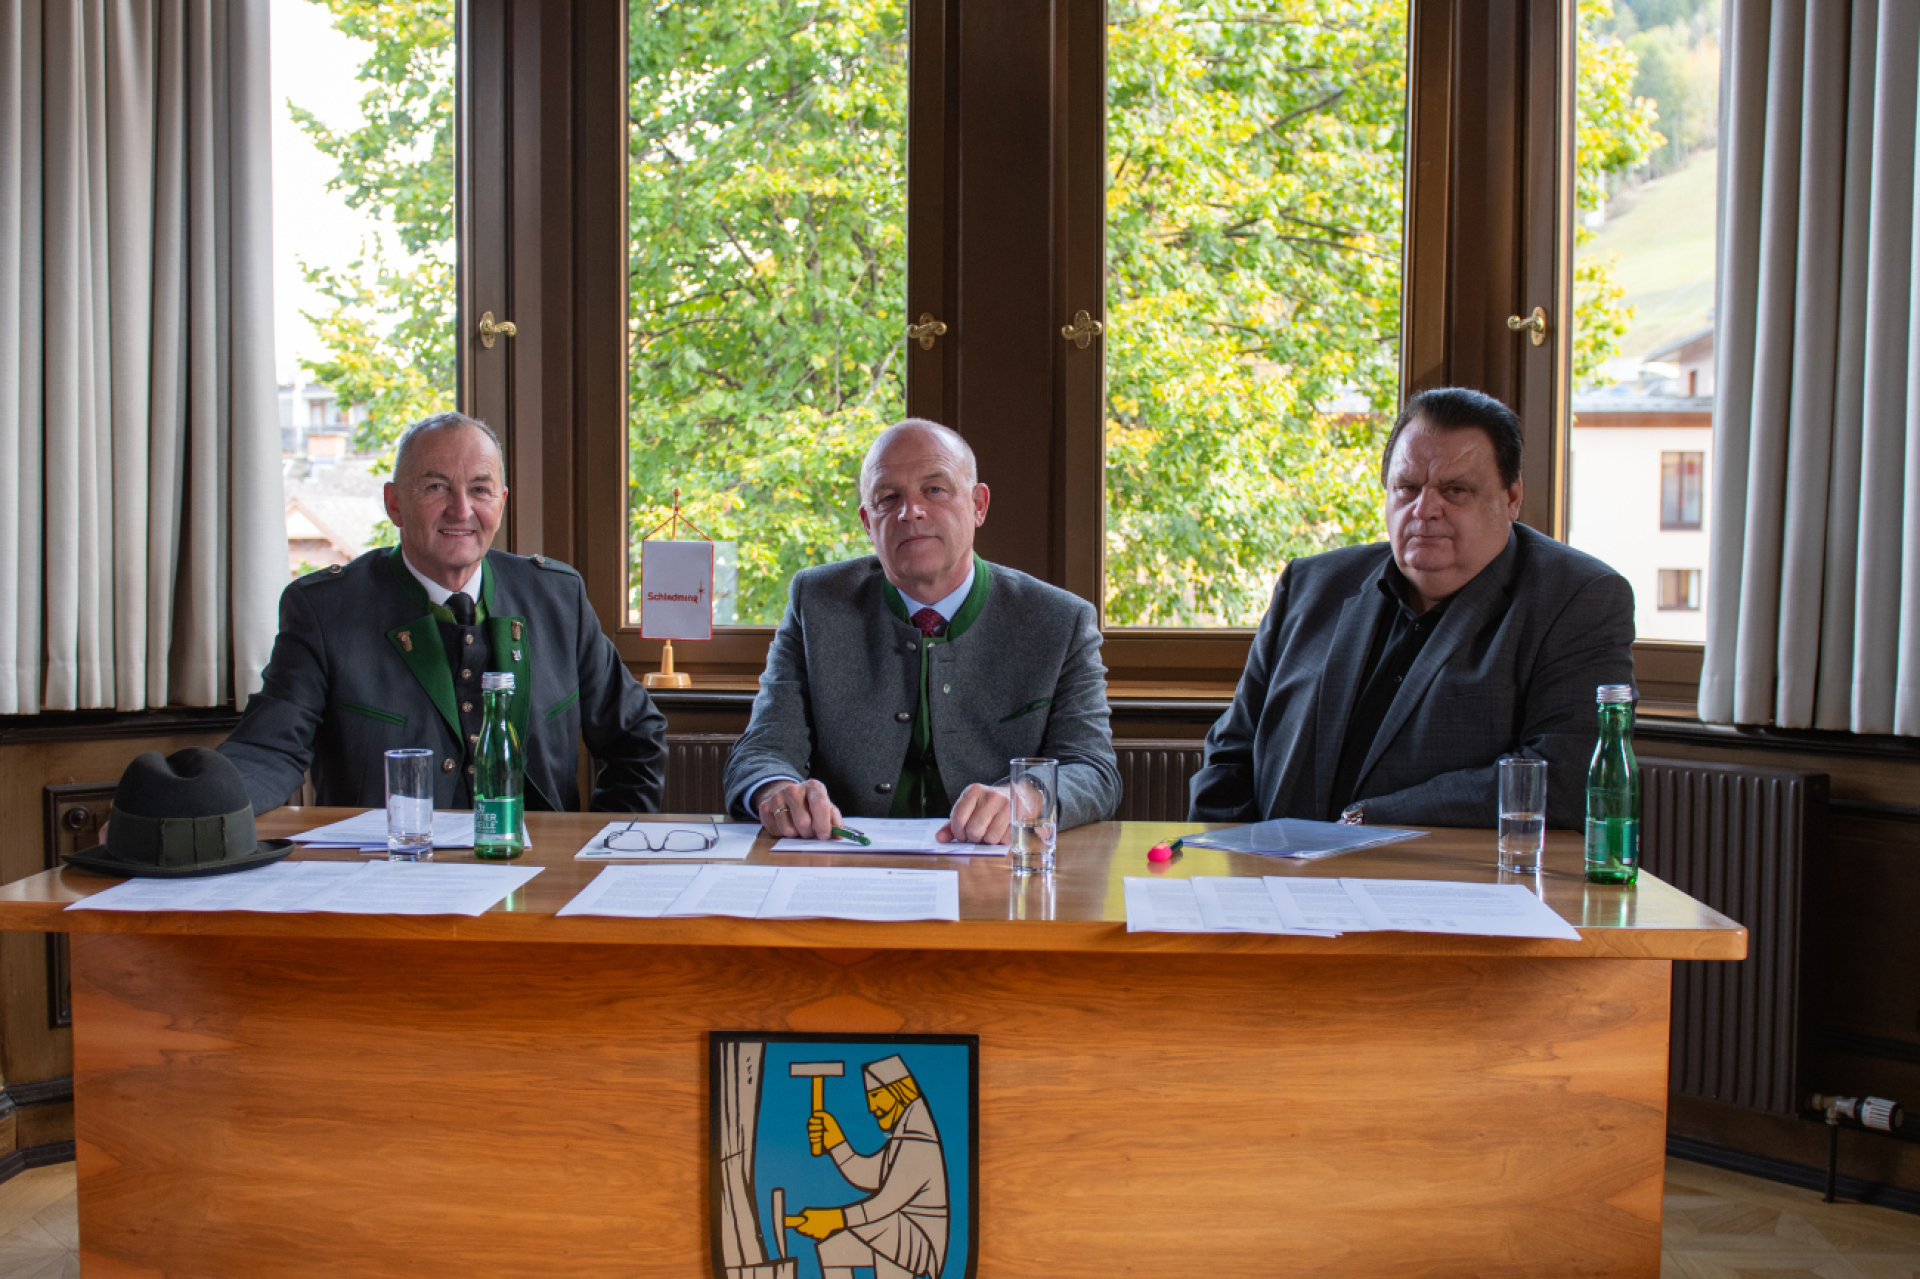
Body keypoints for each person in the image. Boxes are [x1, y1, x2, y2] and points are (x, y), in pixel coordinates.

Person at [1188, 387, 1633, 829]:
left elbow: (1569, 778)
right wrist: (1222, 863)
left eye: (1455, 490)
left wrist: (1371, 820)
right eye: (1407, 488)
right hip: (1272, 879)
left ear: (1512, 497)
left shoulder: (1578, 598)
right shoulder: (1309, 586)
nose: (1425, 510)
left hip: (1445, 890)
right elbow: (1232, 752)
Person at [219, 411, 667, 816]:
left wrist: (604, 839)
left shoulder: (557, 599)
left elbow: (637, 737)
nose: (461, 509)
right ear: (394, 503)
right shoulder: (324, 610)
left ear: (502, 501)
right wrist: (203, 807)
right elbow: (269, 749)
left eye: (480, 489)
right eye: (436, 487)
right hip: (386, 879)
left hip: (538, 875)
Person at [722, 419, 1121, 842]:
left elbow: (1094, 771)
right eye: (888, 497)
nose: (909, 511)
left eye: (934, 490)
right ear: (866, 522)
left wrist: (1028, 797)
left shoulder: (1059, 620)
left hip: (997, 875)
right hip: (841, 867)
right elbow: (762, 750)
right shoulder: (816, 602)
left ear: (978, 505)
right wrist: (778, 791)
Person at [789, 1055, 949, 1279]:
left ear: (898, 1091)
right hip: (896, 1228)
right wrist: (836, 1143)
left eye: (876, 1095)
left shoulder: (919, 1142)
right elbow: (868, 1175)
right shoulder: (903, 1138)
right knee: (833, 1250)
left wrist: (834, 1218)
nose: (872, 1108)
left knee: (880, 1242)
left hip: (913, 1237)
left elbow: (886, 1202)